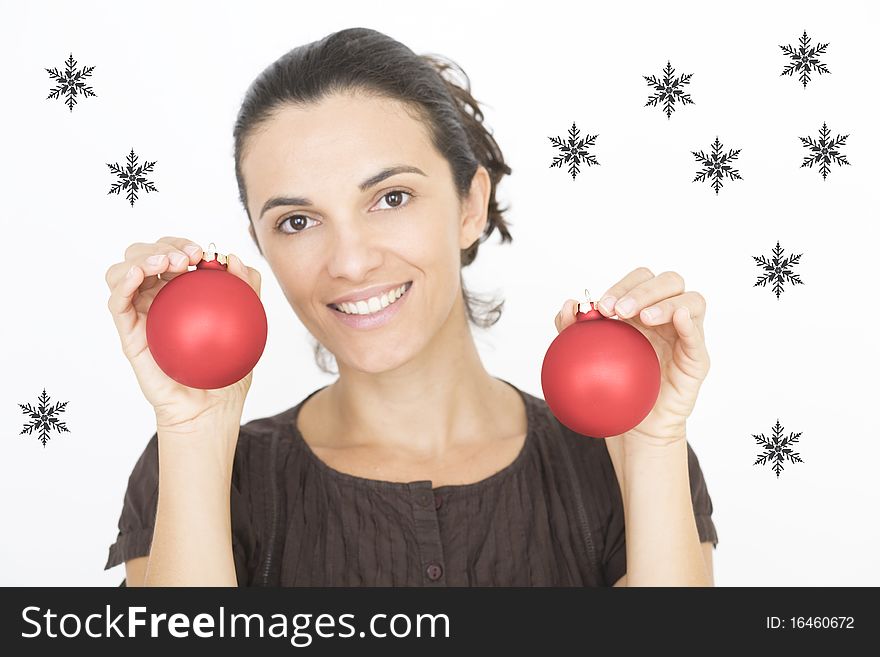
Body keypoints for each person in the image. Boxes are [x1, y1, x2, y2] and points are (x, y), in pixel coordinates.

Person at [103, 27, 717, 587]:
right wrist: (194, 427)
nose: (349, 260)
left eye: (391, 197)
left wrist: (652, 444)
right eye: (297, 220)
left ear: (471, 205)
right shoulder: (203, 471)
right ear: (260, 244)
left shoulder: (619, 459)